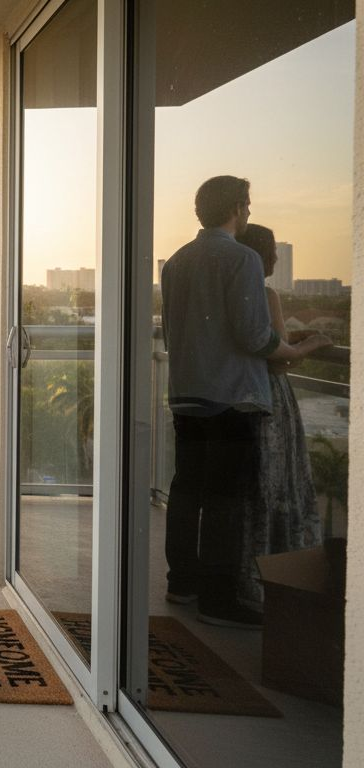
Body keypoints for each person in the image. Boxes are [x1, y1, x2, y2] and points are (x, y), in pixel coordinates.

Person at [161, 176, 330, 629]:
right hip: (231, 397)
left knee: (187, 491)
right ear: (237, 207)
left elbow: (175, 333)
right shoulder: (242, 258)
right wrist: (296, 349)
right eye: (248, 204)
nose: (250, 211)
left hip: (185, 393)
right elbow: (255, 335)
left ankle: (182, 583)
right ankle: (218, 602)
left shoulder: (176, 261)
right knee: (225, 502)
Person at [234, 223, 327, 606]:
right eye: (271, 250)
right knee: (275, 483)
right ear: (258, 255)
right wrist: (312, 345)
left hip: (238, 397)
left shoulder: (233, 292)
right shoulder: (266, 294)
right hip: (269, 400)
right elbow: (277, 362)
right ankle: (277, 572)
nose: (275, 257)